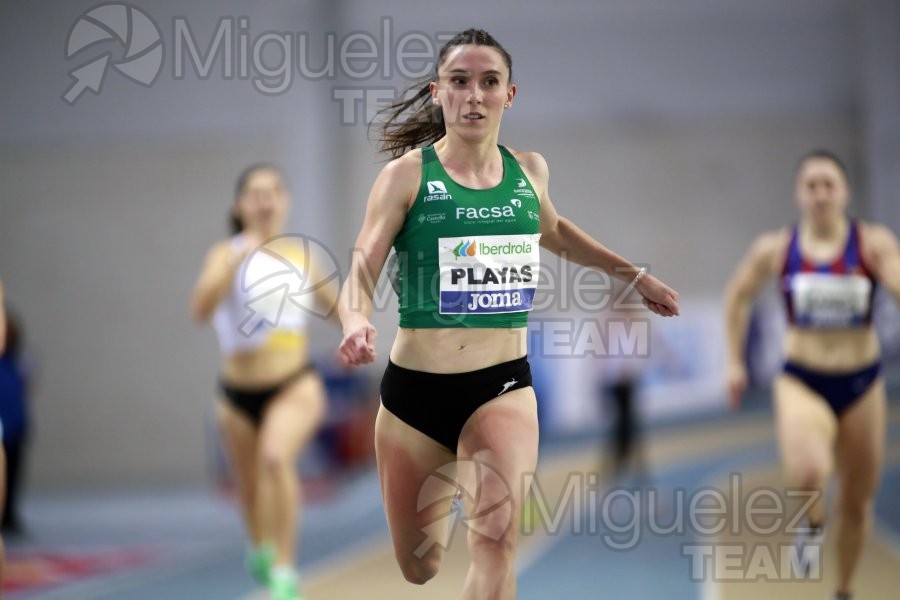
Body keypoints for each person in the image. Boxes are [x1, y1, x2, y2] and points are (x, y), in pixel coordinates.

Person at [337, 29, 680, 599]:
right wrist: (355, 320)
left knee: (496, 540)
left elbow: (557, 233)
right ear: (438, 92)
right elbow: (362, 267)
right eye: (460, 82)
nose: (474, 95)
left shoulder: (530, 172)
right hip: (414, 398)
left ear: (509, 95)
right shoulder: (406, 176)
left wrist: (634, 275)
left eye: (488, 83)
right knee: (418, 567)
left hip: (502, 388)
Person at [724, 149, 900, 600]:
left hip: (862, 384)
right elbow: (737, 296)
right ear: (799, 194)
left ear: (845, 192)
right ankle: (813, 523)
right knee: (808, 471)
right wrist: (734, 361)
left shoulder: (874, 243)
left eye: (829, 184)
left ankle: (842, 588)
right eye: (812, 185)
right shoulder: (778, 248)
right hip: (802, 379)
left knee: (859, 504)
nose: (821, 194)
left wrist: (890, 280)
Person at [190, 164, 338, 600]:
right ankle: (260, 546)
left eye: (273, 191)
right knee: (250, 488)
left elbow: (338, 308)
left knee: (276, 459)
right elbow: (199, 310)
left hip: (294, 382)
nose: (265, 200)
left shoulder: (302, 256)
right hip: (236, 393)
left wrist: (356, 327)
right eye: (254, 193)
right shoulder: (223, 254)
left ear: (284, 201)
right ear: (239, 206)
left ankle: (286, 570)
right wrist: (237, 258)